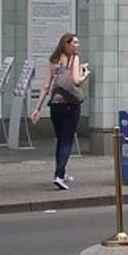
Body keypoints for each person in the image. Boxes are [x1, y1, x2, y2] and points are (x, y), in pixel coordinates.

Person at [29, 33, 90, 190]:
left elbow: (45, 86)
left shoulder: (53, 60)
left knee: (60, 138)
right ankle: (59, 175)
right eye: (75, 42)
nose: (77, 45)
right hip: (70, 104)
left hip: (55, 105)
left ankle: (61, 171)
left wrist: (37, 108)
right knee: (67, 140)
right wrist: (85, 75)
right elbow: (76, 81)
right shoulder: (74, 58)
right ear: (67, 44)